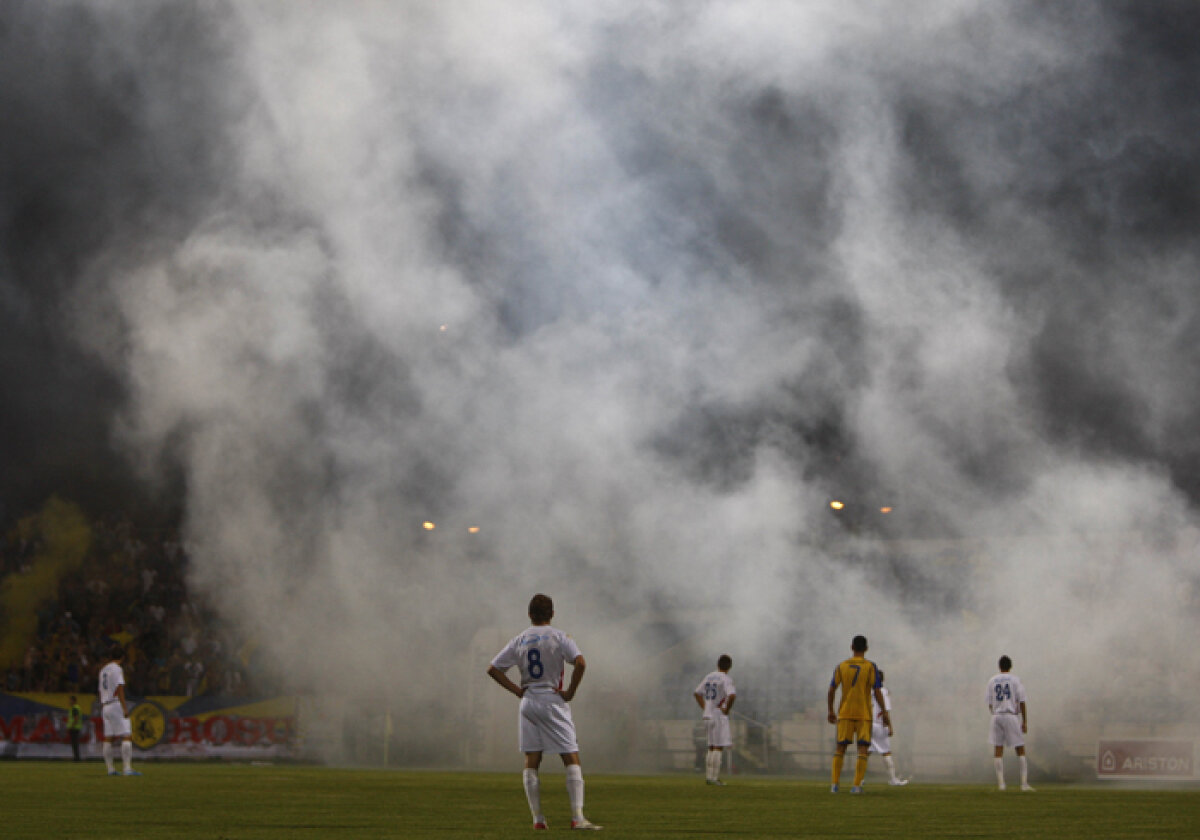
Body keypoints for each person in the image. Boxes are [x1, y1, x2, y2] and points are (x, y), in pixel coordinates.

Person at [487, 594, 601, 831]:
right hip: (551, 699)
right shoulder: (560, 637)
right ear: (552, 614)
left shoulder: (519, 639)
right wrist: (570, 691)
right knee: (570, 755)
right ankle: (578, 818)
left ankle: (538, 820)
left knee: (532, 759)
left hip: (528, 701)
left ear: (530, 614)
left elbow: (493, 669)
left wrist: (517, 691)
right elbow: (580, 663)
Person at [827, 635, 889, 794]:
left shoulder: (842, 666)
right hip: (864, 714)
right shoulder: (871, 666)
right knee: (862, 749)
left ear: (851, 647)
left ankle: (834, 785)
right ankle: (856, 786)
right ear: (866, 648)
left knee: (840, 748)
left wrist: (830, 710)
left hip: (845, 712)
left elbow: (832, 689)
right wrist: (884, 712)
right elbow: (877, 691)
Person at [987, 655, 1033, 791]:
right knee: (1020, 749)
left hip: (996, 716)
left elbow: (989, 703)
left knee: (998, 749)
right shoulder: (1015, 680)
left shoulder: (992, 680)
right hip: (1011, 715)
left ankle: (1001, 784)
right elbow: (1022, 701)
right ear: (1010, 666)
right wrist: (1024, 721)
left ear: (999, 666)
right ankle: (1024, 784)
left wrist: (996, 712)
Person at [97, 644, 140, 776]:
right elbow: (119, 688)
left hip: (105, 706)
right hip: (115, 704)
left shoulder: (103, 670)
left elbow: (100, 690)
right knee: (127, 734)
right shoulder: (117, 669)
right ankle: (127, 769)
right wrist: (124, 708)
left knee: (108, 738)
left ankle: (110, 769)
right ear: (122, 656)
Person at [693, 655, 736, 785]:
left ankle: (709, 776)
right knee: (718, 747)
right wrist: (727, 709)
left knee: (711, 746)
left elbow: (697, 693)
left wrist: (705, 707)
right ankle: (714, 778)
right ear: (729, 666)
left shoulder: (709, 676)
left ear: (718, 664)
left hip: (707, 715)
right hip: (718, 714)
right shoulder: (726, 678)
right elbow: (732, 695)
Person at [868, 670, 907, 785]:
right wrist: (890, 726)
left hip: (868, 724)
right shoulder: (884, 692)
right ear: (883, 680)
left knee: (864, 752)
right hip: (880, 724)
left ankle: (859, 780)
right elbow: (886, 711)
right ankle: (893, 779)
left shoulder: (867, 691)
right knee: (886, 752)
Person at [66, 694, 84, 762]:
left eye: (70, 700)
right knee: (75, 744)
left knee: (75, 744)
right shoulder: (76, 708)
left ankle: (76, 758)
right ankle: (76, 757)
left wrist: (72, 726)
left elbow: (76, 718)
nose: (69, 701)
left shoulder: (74, 708)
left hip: (74, 728)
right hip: (76, 728)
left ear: (73, 701)